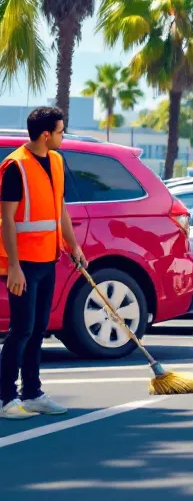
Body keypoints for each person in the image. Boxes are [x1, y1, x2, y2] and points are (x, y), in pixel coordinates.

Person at [1, 107, 84, 420]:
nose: (64, 136)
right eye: (61, 131)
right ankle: (6, 397)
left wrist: (73, 245)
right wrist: (14, 266)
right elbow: (7, 220)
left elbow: (59, 207)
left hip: (48, 259)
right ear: (46, 134)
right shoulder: (15, 167)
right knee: (20, 330)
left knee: (38, 329)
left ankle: (32, 393)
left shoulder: (57, 161)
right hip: (23, 265)